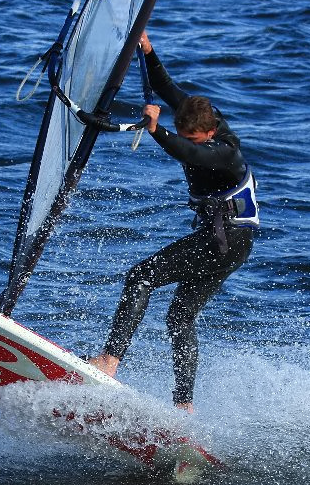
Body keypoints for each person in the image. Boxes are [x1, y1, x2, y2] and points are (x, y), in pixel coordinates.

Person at [88, 31, 259, 412]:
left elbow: (188, 152)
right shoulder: (198, 114)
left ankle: (109, 361)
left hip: (225, 239)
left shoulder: (223, 152)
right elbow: (166, 87)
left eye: (196, 139)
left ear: (210, 132)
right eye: (186, 135)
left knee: (140, 278)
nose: (191, 143)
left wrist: (156, 130)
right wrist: (147, 51)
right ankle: (185, 406)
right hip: (230, 242)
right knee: (180, 315)